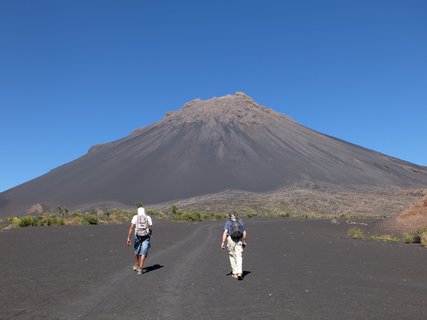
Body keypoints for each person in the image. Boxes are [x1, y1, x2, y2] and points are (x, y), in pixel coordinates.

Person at [221, 211, 247, 280]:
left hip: (230, 240)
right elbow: (244, 233)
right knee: (239, 256)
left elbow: (225, 232)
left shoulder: (228, 222)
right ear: (236, 215)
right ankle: (240, 272)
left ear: (229, 216)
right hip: (239, 239)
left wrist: (223, 242)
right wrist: (244, 241)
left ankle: (235, 273)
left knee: (232, 256)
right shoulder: (241, 222)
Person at [127, 207, 153, 275]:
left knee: (136, 251)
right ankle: (140, 269)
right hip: (146, 236)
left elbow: (131, 227)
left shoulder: (135, 217)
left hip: (137, 236)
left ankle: (137, 266)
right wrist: (149, 236)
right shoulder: (148, 217)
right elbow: (150, 228)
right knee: (143, 252)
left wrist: (128, 238)